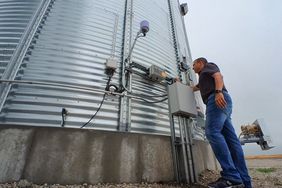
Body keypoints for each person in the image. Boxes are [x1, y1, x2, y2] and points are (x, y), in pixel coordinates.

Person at [191, 57, 252, 188]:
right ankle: (244, 181)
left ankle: (231, 176)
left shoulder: (208, 66)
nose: (192, 67)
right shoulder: (203, 78)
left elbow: (219, 76)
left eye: (194, 64)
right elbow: (194, 88)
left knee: (212, 132)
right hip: (222, 102)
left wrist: (218, 92)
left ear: (201, 63)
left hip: (217, 99)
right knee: (232, 141)